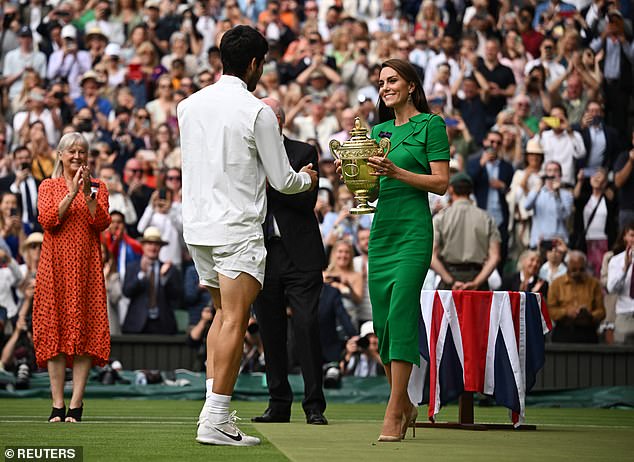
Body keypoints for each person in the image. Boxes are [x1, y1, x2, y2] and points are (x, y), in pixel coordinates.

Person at [177, 26, 317, 447]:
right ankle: (217, 417)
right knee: (235, 320)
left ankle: (211, 414)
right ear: (256, 64)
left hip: (198, 228)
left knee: (222, 316)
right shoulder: (256, 111)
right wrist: (307, 179)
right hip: (237, 228)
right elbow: (283, 180)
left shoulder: (188, 105)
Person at [349, 58, 450, 442]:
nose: (385, 86)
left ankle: (394, 411)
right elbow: (375, 187)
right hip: (382, 230)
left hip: (413, 231)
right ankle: (405, 402)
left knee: (403, 311)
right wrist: (356, 180)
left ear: (411, 85)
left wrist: (397, 172)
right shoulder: (378, 129)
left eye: (392, 80)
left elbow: (440, 183)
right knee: (383, 323)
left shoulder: (432, 124)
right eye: (381, 82)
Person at [250, 98, 328, 426]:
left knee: (307, 326)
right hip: (263, 254)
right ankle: (278, 403)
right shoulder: (248, 154)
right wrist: (290, 181)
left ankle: (314, 406)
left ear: (277, 122)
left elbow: (306, 199)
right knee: (270, 331)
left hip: (301, 255)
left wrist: (271, 185)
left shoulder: (303, 152)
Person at [33, 132, 111, 423]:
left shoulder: (98, 187)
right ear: (61, 155)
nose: (77, 157)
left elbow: (101, 222)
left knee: (85, 334)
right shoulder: (48, 186)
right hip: (53, 269)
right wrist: (71, 192)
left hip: (86, 268)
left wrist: (88, 191)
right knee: (53, 331)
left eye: (82, 152)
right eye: (72, 152)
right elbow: (49, 219)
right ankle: (57, 404)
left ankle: (76, 404)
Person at [431, 172, 502, 291]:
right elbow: (495, 256)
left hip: (450, 280)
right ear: (471, 191)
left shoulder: (441, 218)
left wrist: (451, 281)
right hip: (478, 279)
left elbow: (431, 257)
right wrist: (477, 282)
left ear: (451, 189)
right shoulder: (486, 218)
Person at [121, 227, 182, 335]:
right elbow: (126, 292)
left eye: (156, 244)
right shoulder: (133, 267)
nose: (153, 247)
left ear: (160, 247)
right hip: (136, 325)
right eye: (149, 243)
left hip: (163, 325)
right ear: (143, 246)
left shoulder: (169, 269)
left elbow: (177, 298)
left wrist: (163, 278)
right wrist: (141, 275)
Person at [548, 250, 605, 343]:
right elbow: (550, 310)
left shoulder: (594, 284)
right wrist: (566, 312)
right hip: (563, 331)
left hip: (587, 331)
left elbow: (601, 311)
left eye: (581, 269)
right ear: (567, 267)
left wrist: (590, 315)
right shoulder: (556, 284)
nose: (578, 272)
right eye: (574, 269)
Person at [606, 222, 634, 344]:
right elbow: (611, 289)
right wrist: (625, 269)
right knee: (622, 359)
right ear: (624, 237)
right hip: (624, 315)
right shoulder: (616, 261)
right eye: (632, 235)